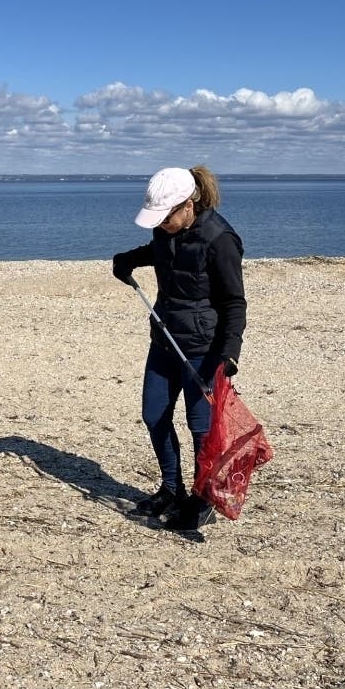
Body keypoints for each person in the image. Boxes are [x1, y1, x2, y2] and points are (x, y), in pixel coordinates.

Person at [112, 165, 247, 531]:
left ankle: (204, 498)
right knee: (154, 414)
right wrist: (128, 259)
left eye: (167, 216)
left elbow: (235, 303)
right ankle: (171, 489)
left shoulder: (220, 239)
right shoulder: (165, 229)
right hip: (165, 339)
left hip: (204, 350)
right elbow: (163, 251)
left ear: (188, 205)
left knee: (200, 426)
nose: (162, 224)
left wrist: (229, 353)